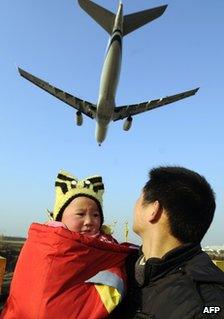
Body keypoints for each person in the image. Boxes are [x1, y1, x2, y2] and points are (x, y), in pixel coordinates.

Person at [1, 170, 136, 319]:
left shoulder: (105, 248)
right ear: (60, 217)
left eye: (95, 215)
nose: (89, 221)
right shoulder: (46, 243)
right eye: (80, 214)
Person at [110, 166, 224, 319]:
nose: (134, 205)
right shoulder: (124, 270)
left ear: (154, 210)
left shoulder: (207, 302)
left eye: (140, 197)